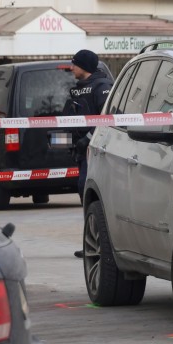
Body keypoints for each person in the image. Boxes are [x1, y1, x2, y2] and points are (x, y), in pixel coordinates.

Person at [65, 50, 113, 258]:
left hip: (97, 150)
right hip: (82, 150)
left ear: (84, 66)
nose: (71, 67)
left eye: (74, 64)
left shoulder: (102, 87)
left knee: (90, 190)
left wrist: (90, 137)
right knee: (83, 190)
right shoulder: (79, 89)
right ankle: (91, 242)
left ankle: (99, 243)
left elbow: (107, 119)